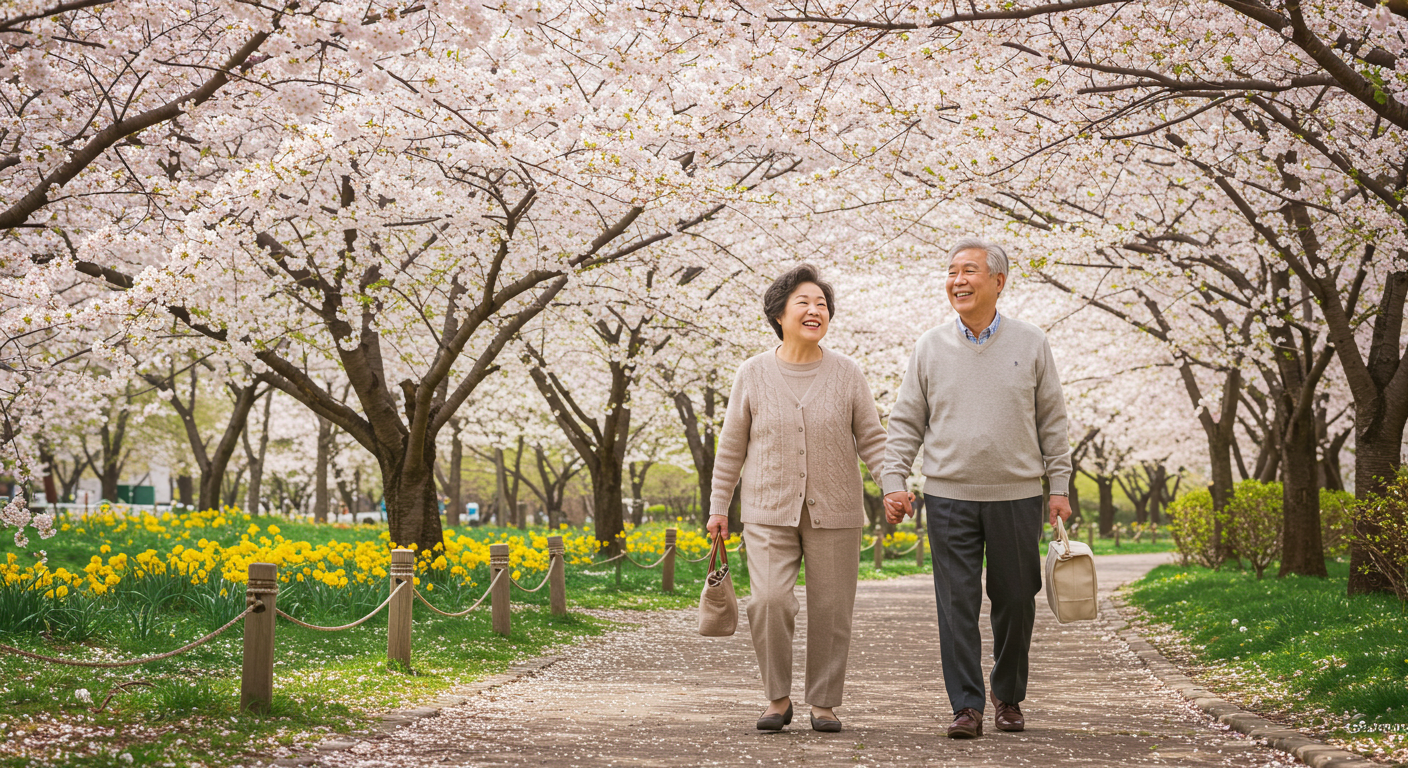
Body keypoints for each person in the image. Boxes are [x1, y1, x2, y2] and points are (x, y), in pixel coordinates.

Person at [882, 237, 1073, 739]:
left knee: (1016, 599)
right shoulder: (929, 346)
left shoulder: (1031, 342)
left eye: (969, 270)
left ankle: (1008, 695)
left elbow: (1052, 418)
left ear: (998, 282)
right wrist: (893, 479)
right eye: (951, 271)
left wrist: (1060, 484)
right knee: (956, 602)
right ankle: (966, 705)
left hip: (1017, 495)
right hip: (947, 495)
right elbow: (906, 421)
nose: (957, 280)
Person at [708, 263, 887, 733]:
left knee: (831, 610)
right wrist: (718, 508)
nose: (815, 311)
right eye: (804, 303)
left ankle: (824, 704)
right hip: (768, 511)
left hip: (837, 511)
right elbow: (731, 447)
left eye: (822, 304)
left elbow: (872, 439)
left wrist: (893, 485)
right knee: (769, 601)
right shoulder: (752, 373)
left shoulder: (848, 373)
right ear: (779, 314)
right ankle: (777, 698)